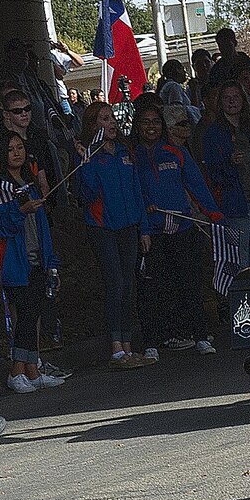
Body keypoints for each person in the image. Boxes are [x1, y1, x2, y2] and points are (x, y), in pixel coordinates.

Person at [132, 101, 220, 353]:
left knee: (189, 282)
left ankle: (200, 335)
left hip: (181, 228)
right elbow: (132, 191)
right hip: (150, 232)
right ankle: (154, 341)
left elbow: (196, 184)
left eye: (156, 122)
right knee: (154, 288)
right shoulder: (131, 156)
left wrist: (212, 213)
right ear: (137, 126)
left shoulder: (176, 152)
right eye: (146, 122)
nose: (151, 127)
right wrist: (145, 218)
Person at [73, 101, 153, 368]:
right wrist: (86, 163)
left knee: (128, 284)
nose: (112, 124)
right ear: (94, 124)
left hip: (129, 226)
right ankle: (116, 347)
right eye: (105, 119)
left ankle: (128, 344)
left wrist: (144, 227)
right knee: (115, 283)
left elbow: (136, 190)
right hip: (103, 227)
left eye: (112, 118)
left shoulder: (124, 150)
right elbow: (87, 194)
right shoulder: (90, 154)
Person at [0, 133, 61, 393]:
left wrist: (50, 257)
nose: (16, 153)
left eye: (20, 148)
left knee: (33, 312)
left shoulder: (30, 183)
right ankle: (16, 371)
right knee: (26, 315)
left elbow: (43, 227)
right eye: (10, 149)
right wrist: (20, 212)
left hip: (37, 254)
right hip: (14, 260)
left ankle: (32, 369)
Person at [199, 82, 250, 273]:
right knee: (240, 261)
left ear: (244, 100)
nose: (232, 101)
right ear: (219, 102)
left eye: (236, 97)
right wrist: (228, 162)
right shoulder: (214, 134)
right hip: (236, 205)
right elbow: (212, 172)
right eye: (226, 97)